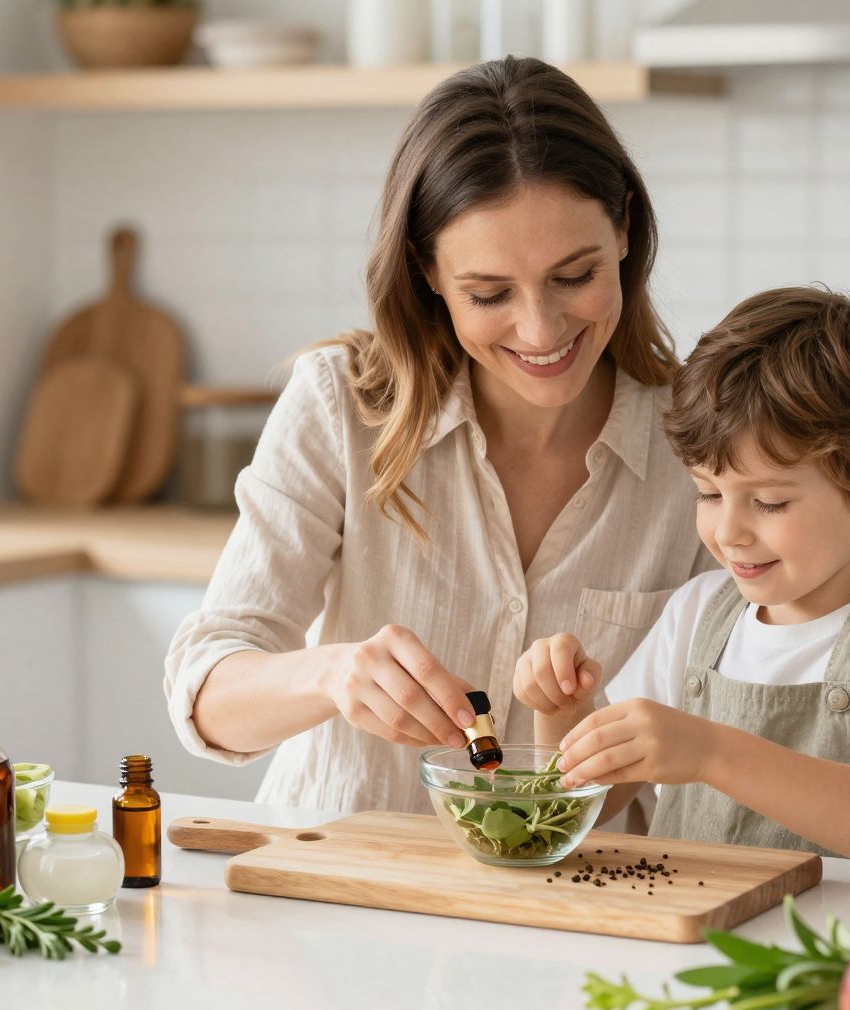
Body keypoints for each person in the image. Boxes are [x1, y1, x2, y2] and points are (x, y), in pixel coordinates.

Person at [165, 58, 706, 814]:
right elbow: (206, 693)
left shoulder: (699, 443)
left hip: (582, 912)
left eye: (574, 276)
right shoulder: (340, 405)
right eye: (488, 293)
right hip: (339, 894)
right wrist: (333, 676)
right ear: (427, 271)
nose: (541, 329)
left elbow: (710, 744)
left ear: (623, 228)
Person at [512, 286, 850, 878]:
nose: (728, 531)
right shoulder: (697, 613)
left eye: (768, 502)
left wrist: (711, 751)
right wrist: (566, 710)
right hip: (688, 950)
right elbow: (588, 804)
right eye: (709, 494)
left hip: (842, 961)